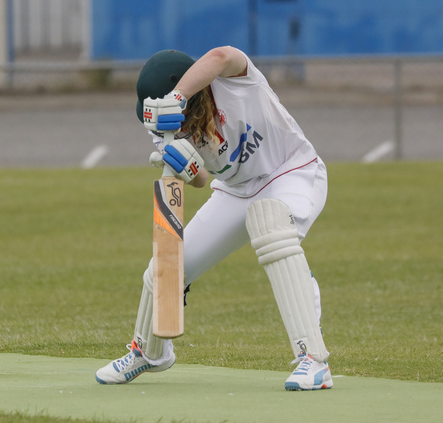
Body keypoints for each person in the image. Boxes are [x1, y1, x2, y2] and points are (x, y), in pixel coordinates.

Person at [94, 46, 333, 391]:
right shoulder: (163, 126)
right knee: (169, 263)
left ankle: (313, 360)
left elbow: (222, 56)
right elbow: (204, 179)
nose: (179, 125)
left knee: (272, 226)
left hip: (291, 170)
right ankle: (150, 352)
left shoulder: (235, 81)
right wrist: (187, 169)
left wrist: (176, 97)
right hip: (235, 190)